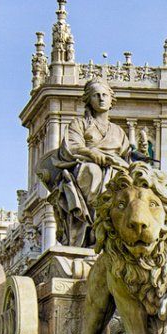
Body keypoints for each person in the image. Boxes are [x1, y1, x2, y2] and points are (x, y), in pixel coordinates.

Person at [37, 77, 131, 246]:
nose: (101, 98)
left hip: (115, 168)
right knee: (93, 172)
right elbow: (72, 147)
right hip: (86, 166)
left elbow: (127, 156)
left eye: (104, 95)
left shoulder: (119, 131)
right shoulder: (79, 124)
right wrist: (92, 153)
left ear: (111, 100)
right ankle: (97, 226)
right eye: (96, 95)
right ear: (89, 100)